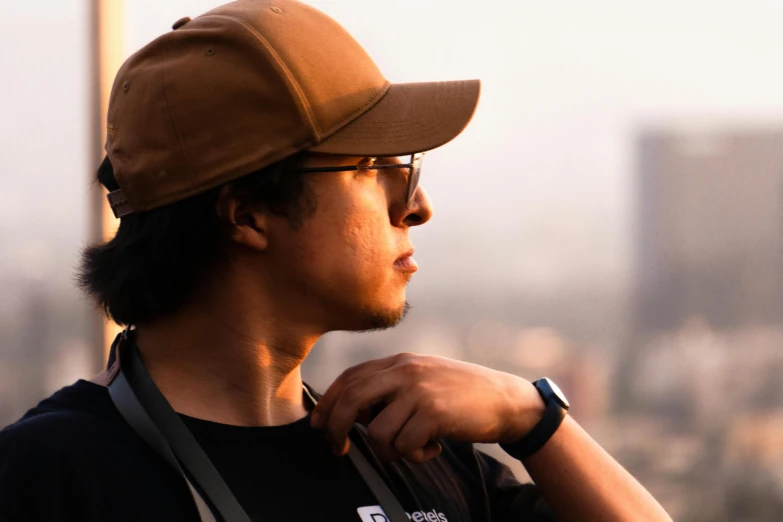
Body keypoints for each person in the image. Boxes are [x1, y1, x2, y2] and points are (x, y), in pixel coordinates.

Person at [0, 1, 672, 521]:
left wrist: (534, 418)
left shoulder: (411, 449)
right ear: (246, 214)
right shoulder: (53, 476)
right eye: (373, 166)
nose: (415, 205)